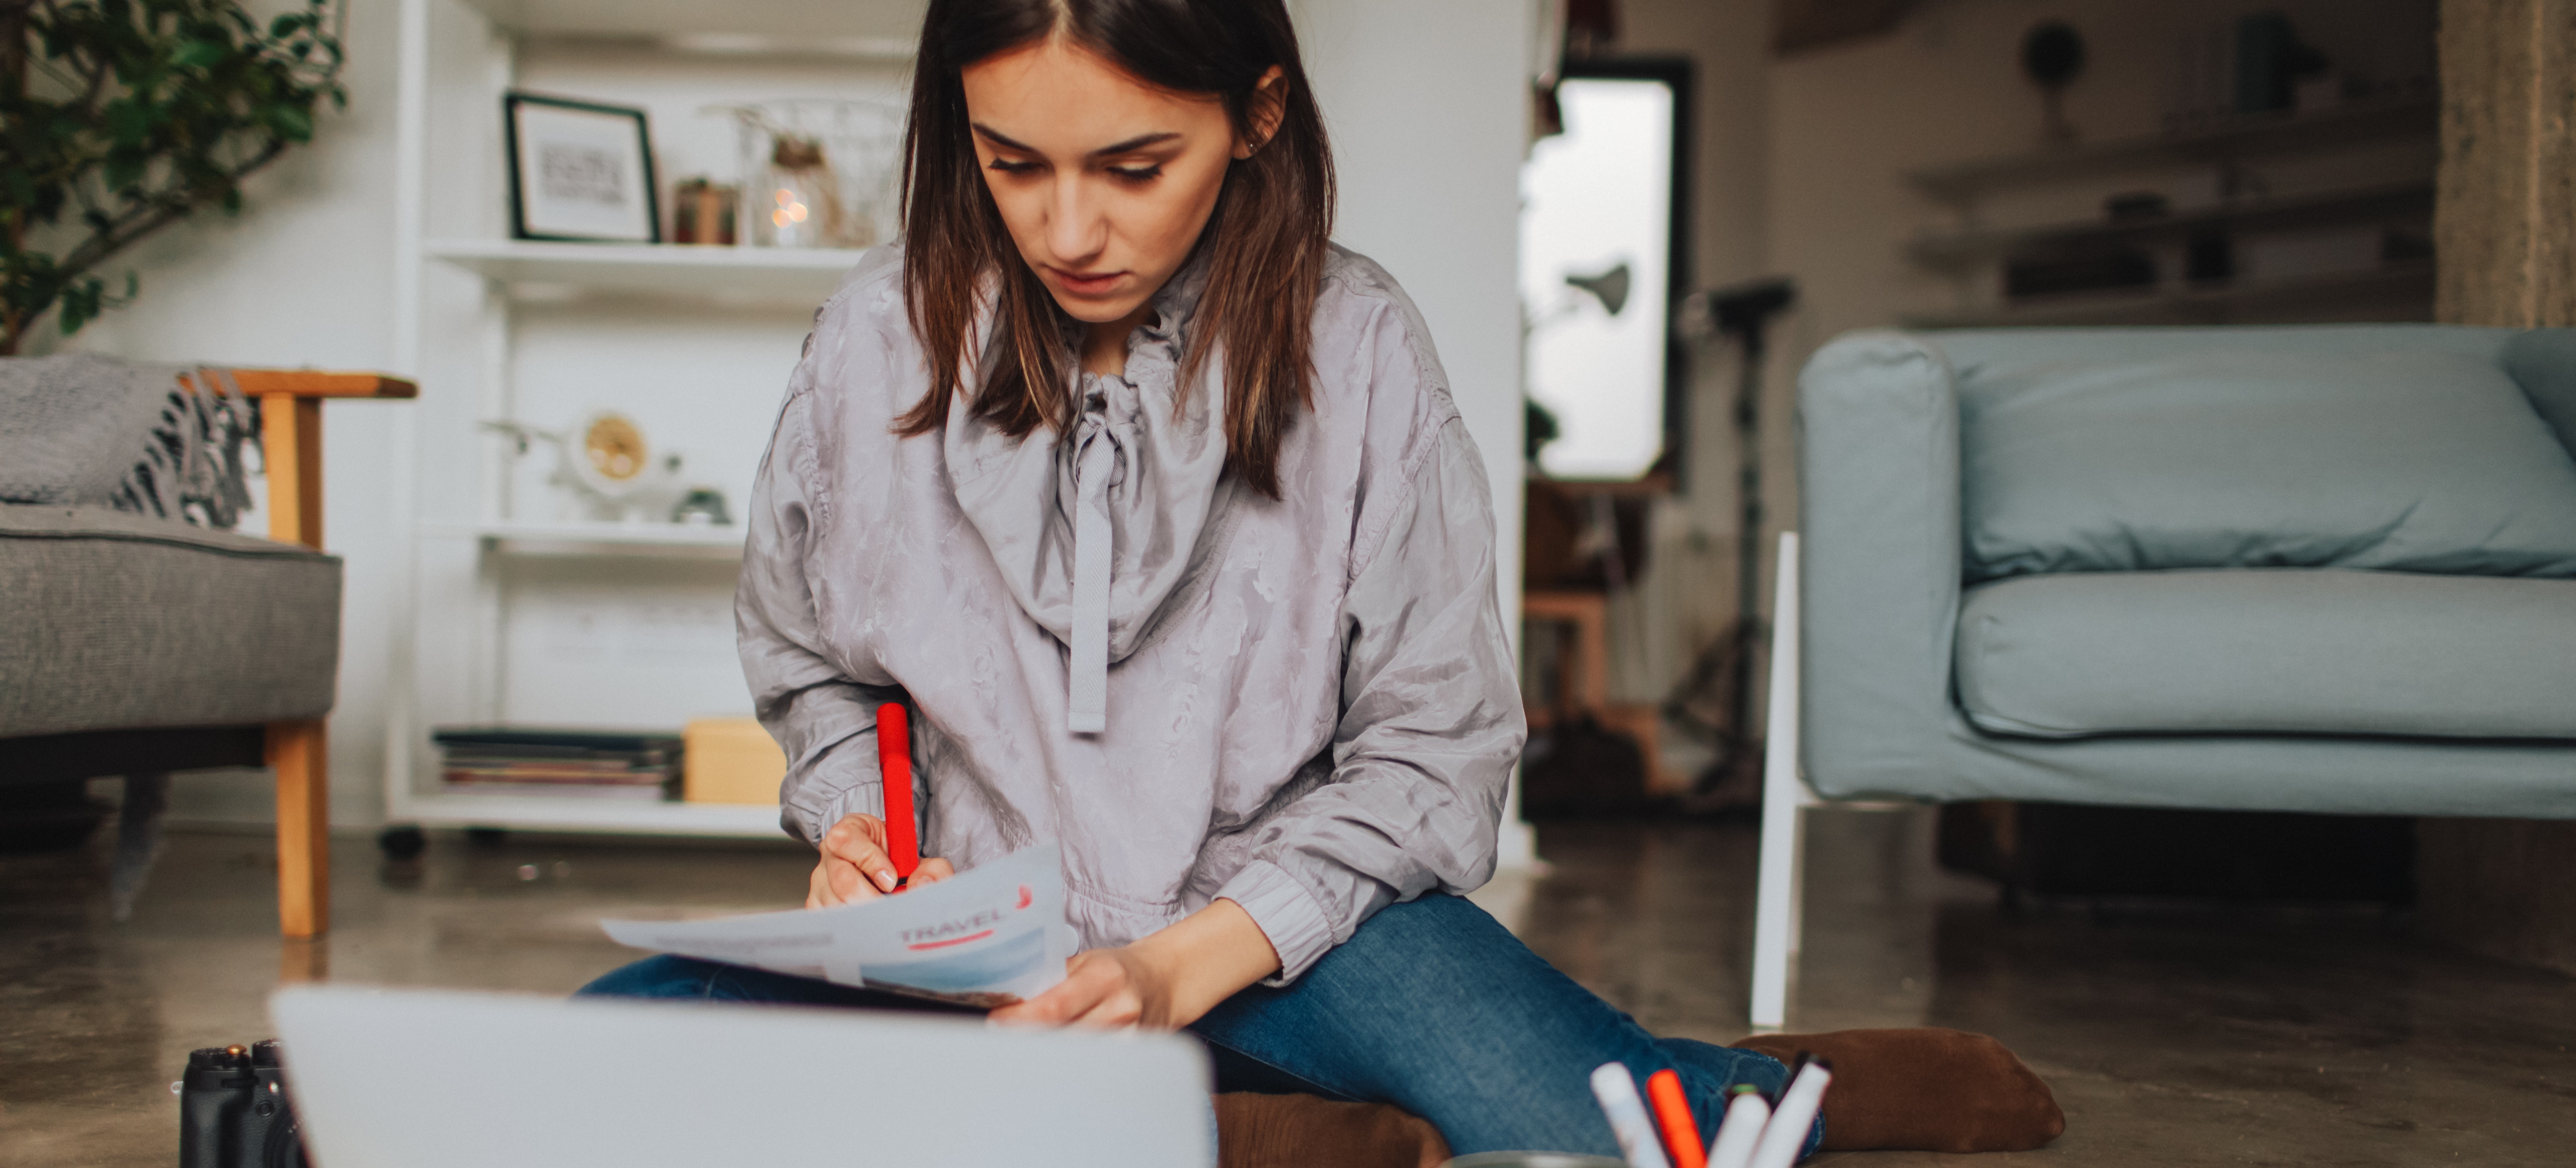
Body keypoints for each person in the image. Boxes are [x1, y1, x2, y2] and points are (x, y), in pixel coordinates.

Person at [580, 0, 1814, 1157]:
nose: (1068, 232)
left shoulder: (1363, 345)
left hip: (1289, 938)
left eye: (1132, 167)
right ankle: (1267, 1110)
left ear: (1257, 112)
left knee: (1620, 1133)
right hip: (970, 952)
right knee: (595, 1062)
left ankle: (1742, 1080)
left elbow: (1435, 749)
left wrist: (1173, 972)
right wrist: (864, 833)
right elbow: (817, 672)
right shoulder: (872, 334)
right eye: (1013, 164)